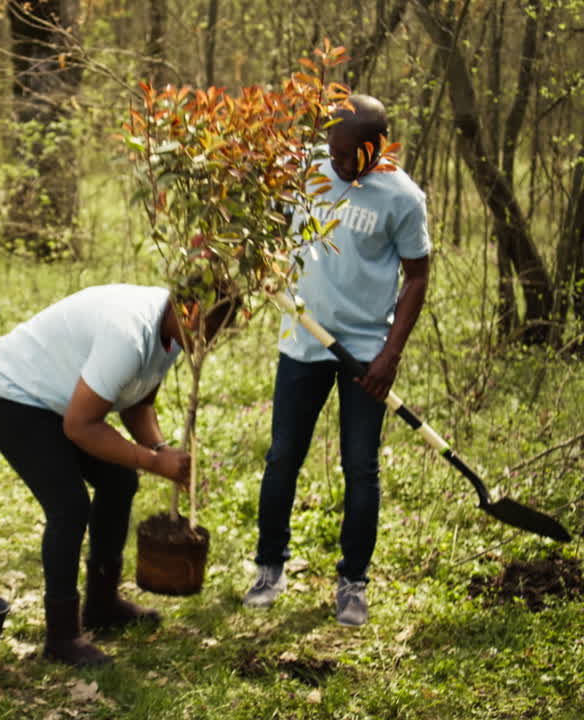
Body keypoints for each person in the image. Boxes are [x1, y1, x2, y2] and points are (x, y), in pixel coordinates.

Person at [0, 283, 236, 666]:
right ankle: (62, 638)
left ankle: (102, 607)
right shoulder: (128, 334)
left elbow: (137, 403)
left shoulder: (171, 331)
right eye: (206, 333)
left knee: (119, 481)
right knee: (70, 507)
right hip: (10, 393)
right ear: (189, 311)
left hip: (62, 399)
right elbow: (81, 426)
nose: (205, 345)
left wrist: (160, 450)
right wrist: (152, 461)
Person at [243, 94, 430, 626]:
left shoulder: (402, 196)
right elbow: (266, 226)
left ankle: (352, 583)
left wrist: (390, 354)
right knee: (283, 457)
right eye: (334, 149)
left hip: (366, 351)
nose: (340, 162)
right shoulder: (305, 170)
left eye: (351, 154)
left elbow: (417, 276)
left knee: (360, 468)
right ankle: (269, 567)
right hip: (303, 341)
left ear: (376, 147)